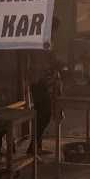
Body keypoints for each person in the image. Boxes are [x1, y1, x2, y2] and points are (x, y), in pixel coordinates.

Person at [26, 17, 62, 154]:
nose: (55, 34)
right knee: (45, 114)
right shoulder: (42, 41)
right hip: (38, 81)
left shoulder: (46, 39)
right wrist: (59, 64)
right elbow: (47, 60)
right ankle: (32, 148)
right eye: (54, 30)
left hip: (41, 80)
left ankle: (37, 147)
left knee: (40, 113)